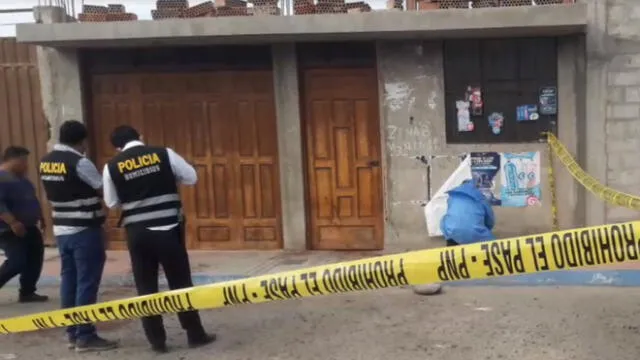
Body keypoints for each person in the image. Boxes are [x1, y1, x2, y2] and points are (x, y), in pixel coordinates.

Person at [102, 125, 215, 353]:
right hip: (168, 229)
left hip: (138, 233)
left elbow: (112, 203)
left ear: (117, 148)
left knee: (146, 286)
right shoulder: (164, 153)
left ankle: (157, 341)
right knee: (180, 283)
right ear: (140, 137)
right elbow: (191, 178)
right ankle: (194, 333)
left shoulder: (111, 166)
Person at [39, 120, 118, 353]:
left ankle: (72, 333)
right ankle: (86, 335)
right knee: (87, 282)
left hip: (62, 230)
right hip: (84, 229)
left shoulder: (46, 162)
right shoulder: (80, 162)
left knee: (70, 281)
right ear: (81, 141)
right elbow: (101, 187)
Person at [413, 179, 496, 296]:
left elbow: (453, 214)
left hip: (452, 231)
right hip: (474, 231)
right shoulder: (480, 197)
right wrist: (486, 228)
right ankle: (488, 267)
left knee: (446, 223)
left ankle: (450, 259)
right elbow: (490, 219)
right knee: (492, 247)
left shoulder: (452, 197)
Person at [0, 146, 48, 303]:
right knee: (17, 261)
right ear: (14, 160)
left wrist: (41, 216)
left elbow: (32, 198)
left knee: (35, 258)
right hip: (8, 229)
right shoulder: (2, 178)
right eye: (24, 161)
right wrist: (12, 222)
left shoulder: (22, 179)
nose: (27, 165)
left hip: (29, 225)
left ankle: (27, 292)